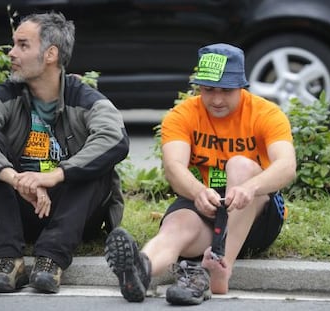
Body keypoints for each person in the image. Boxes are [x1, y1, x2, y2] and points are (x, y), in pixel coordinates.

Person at [104, 43, 296, 305]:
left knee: (240, 166)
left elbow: (286, 166)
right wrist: (198, 192)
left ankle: (218, 270)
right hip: (206, 204)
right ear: (199, 87)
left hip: (256, 213)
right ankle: (140, 270)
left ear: (241, 86)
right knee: (177, 226)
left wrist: (250, 188)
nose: (216, 100)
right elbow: (174, 168)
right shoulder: (181, 115)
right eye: (208, 90)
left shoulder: (266, 113)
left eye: (226, 91)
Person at [0, 12, 129, 294]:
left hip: (72, 211)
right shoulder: (7, 93)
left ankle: (51, 259)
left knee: (98, 163)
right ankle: (7, 261)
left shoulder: (84, 98)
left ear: (50, 54)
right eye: (14, 44)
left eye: (23, 45)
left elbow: (116, 139)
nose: (11, 53)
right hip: (19, 207)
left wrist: (55, 176)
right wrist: (14, 178)